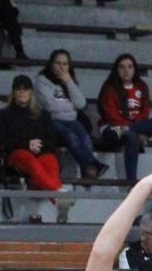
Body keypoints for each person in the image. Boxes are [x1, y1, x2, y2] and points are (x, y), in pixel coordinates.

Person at [0, 75, 64, 219]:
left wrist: (38, 147)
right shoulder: (3, 115)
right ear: (14, 92)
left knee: (50, 161)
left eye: (25, 89)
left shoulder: (43, 115)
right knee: (28, 158)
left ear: (31, 92)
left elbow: (51, 139)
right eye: (19, 89)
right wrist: (27, 145)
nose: (22, 92)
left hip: (40, 153)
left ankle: (54, 197)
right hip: (15, 154)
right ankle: (58, 195)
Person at [33, 49, 107, 181]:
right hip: (51, 121)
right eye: (58, 63)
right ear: (51, 64)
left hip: (71, 120)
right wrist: (70, 106)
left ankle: (89, 171)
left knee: (85, 137)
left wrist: (69, 82)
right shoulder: (42, 81)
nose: (61, 67)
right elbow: (51, 107)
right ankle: (92, 165)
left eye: (65, 64)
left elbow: (81, 103)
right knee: (70, 136)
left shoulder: (69, 80)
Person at [97, 54, 152, 181]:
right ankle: (131, 182)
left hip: (133, 127)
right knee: (132, 137)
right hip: (112, 129)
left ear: (134, 69)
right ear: (117, 70)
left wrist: (132, 128)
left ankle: (135, 132)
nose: (126, 70)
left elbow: (145, 111)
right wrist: (133, 130)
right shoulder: (110, 88)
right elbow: (111, 115)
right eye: (122, 67)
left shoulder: (141, 86)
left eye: (130, 67)